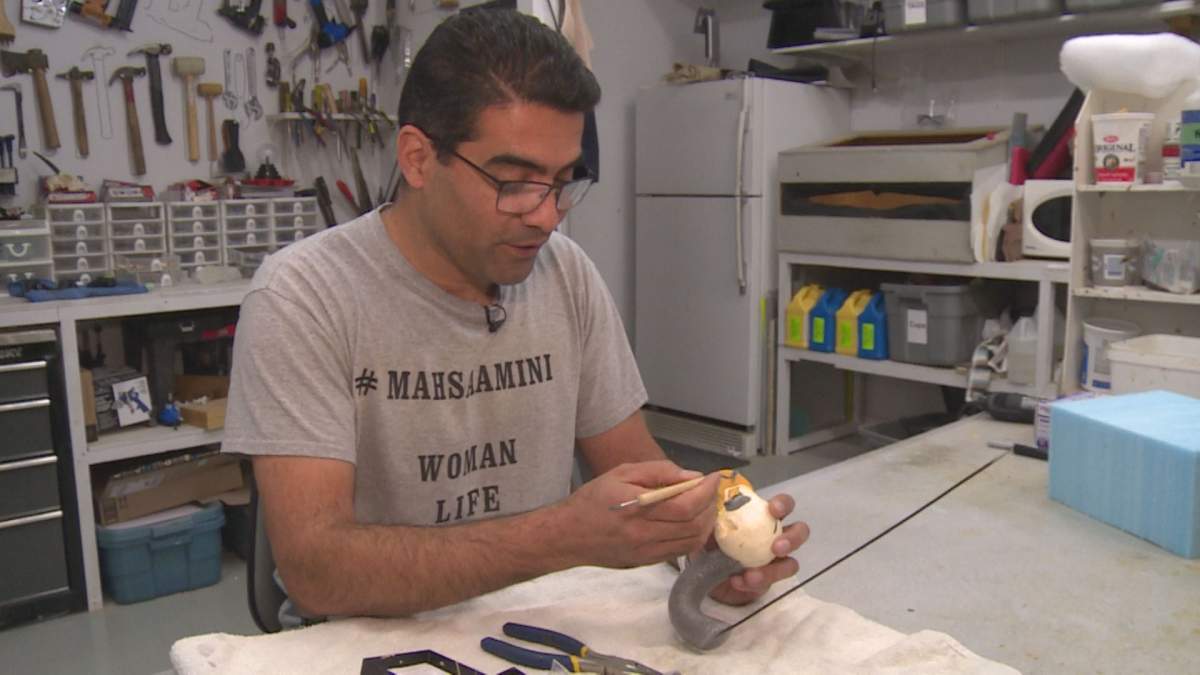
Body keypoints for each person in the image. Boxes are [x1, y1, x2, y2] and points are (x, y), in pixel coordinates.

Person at [223, 9, 808, 622]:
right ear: (418, 159)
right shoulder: (303, 299)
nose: (547, 216)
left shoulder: (567, 273)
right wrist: (561, 536)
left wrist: (703, 549)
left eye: (562, 181)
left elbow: (642, 478)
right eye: (515, 181)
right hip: (363, 642)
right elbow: (318, 574)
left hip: (538, 618)